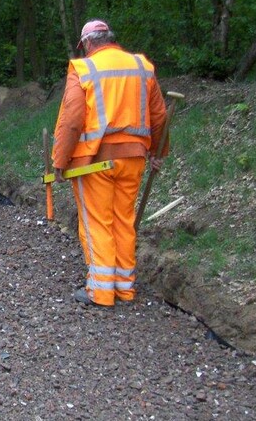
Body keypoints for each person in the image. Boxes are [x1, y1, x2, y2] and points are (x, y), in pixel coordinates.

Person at [51, 19, 168, 307]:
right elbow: (160, 115)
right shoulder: (142, 66)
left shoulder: (83, 69)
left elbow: (72, 120)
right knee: (123, 222)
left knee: (98, 223)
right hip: (134, 159)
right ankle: (125, 288)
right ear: (109, 38)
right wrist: (157, 152)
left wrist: (60, 161)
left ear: (88, 43)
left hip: (95, 162)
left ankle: (101, 291)